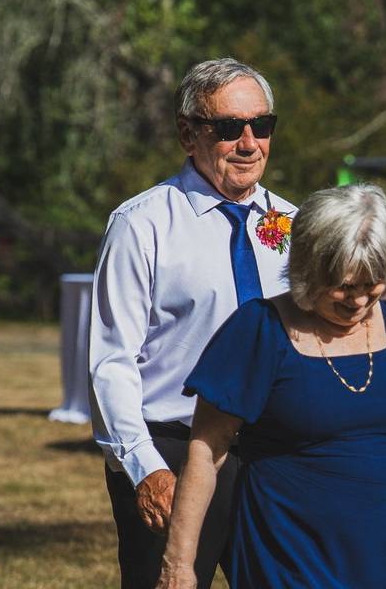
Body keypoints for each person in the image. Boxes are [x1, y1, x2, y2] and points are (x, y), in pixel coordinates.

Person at [154, 184, 386, 589]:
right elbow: (206, 450)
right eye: (344, 286)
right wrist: (179, 564)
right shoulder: (260, 329)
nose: (359, 301)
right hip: (290, 546)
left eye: (373, 285)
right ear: (307, 270)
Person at [89, 57, 298, 588]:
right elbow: (111, 361)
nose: (249, 143)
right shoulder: (142, 224)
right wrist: (145, 467)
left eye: (262, 125)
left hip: (277, 451)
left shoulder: (296, 225)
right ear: (188, 133)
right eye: (229, 128)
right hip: (178, 448)